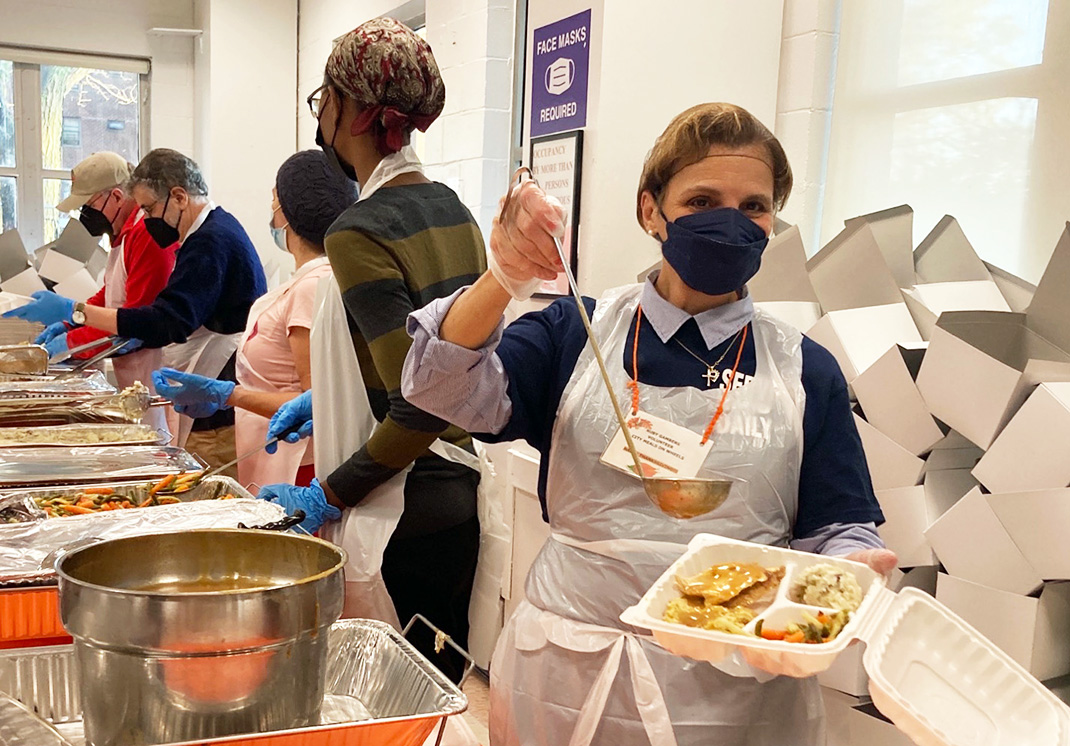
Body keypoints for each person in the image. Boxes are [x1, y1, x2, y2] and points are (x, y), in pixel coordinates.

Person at [401, 103, 898, 744]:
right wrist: (503, 277)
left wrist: (849, 570)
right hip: (569, 668)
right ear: (650, 212)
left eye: (754, 206)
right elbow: (438, 386)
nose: (731, 221)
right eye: (701, 201)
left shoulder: (803, 368)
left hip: (733, 686)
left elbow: (836, 525)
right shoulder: (575, 332)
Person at [260, 18, 486, 681]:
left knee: (390, 699)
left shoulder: (357, 231)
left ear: (353, 111)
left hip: (402, 509)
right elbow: (435, 363)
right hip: (458, 501)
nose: (320, 116)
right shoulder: (453, 208)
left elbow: (419, 400)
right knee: (438, 684)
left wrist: (330, 491)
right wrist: (326, 394)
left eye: (323, 99)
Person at [4, 148, 267, 471]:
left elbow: (165, 320)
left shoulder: (209, 241)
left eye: (149, 208)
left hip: (219, 391)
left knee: (210, 476)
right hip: (206, 387)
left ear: (180, 197)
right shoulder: (205, 232)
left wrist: (77, 315)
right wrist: (72, 321)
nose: (147, 217)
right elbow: (127, 299)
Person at [151, 150, 357, 489]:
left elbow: (317, 403)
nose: (272, 213)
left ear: (289, 213)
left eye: (274, 202)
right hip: (273, 455)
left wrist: (229, 395)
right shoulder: (305, 281)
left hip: (296, 466)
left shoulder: (312, 286)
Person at [5, 152, 178, 431]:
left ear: (117, 197)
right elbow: (111, 296)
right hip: (133, 364)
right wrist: (69, 321)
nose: (83, 214)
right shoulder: (123, 234)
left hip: (152, 365)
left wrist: (71, 342)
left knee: (157, 435)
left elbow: (132, 320)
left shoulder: (145, 234)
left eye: (87, 204)